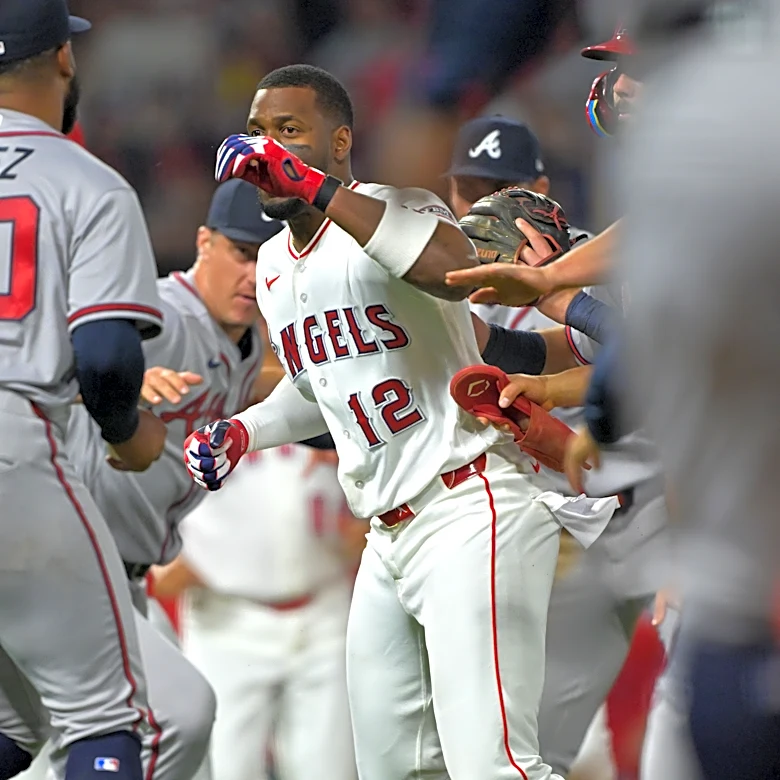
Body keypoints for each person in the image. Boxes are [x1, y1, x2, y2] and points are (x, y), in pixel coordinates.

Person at [184, 63, 615, 780]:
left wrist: (309, 185)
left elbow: (449, 263)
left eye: (290, 131)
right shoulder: (270, 264)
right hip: (386, 540)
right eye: (258, 131)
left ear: (341, 142)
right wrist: (245, 432)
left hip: (468, 507)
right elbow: (318, 383)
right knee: (393, 770)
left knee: (496, 765)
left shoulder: (399, 208)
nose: (267, 147)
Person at [442, 104, 669, 776]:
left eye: (505, 188)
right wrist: (514, 364)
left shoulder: (615, 252)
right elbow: (577, 357)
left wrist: (558, 289)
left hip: (686, 506)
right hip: (603, 512)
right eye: (472, 189)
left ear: (541, 192)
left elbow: (648, 358)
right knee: (545, 739)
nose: (489, 205)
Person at [61, 179, 283, 780]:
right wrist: (117, 384)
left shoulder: (245, 341)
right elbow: (73, 352)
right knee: (178, 719)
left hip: (120, 581)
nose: (254, 272)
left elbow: (266, 383)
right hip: (76, 567)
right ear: (203, 242)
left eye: (268, 256)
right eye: (241, 251)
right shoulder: (165, 312)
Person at [0, 1, 167, 779]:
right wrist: (128, 431)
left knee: (11, 723)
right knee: (104, 722)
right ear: (63, 59)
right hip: (14, 443)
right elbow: (103, 356)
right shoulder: (86, 181)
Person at [154, 444, 364, 780]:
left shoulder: (321, 398)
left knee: (330, 770)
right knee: (225, 769)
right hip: (227, 617)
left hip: (325, 608)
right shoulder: (197, 405)